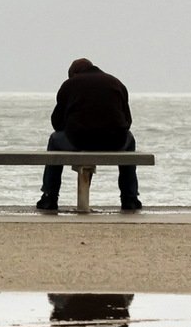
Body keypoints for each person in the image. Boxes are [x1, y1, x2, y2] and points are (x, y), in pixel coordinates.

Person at [36, 58, 141, 212]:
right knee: (130, 139)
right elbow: (127, 121)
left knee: (54, 140)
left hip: (79, 140)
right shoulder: (116, 83)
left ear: (74, 74)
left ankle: (49, 197)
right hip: (114, 141)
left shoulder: (69, 85)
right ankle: (129, 198)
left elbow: (56, 123)